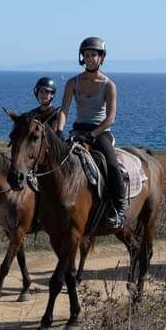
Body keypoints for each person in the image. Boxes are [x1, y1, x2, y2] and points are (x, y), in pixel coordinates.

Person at [56, 37, 126, 229]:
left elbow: (110, 118)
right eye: (86, 55)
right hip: (78, 130)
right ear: (82, 57)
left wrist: (93, 135)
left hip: (101, 132)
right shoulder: (72, 83)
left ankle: (119, 209)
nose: (90, 58)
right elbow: (64, 110)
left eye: (94, 55)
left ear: (101, 58)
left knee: (112, 165)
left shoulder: (108, 85)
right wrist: (59, 131)